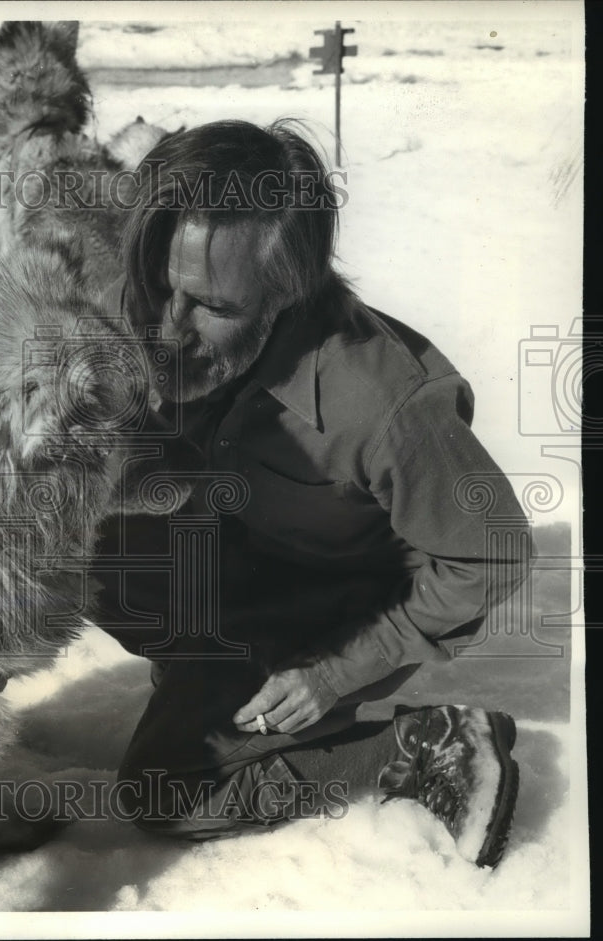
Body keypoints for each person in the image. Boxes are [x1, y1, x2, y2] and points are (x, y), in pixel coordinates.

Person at [93, 119, 529, 868]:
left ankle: (423, 746)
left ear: (286, 293)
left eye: (212, 307)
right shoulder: (155, 303)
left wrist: (335, 671)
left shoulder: (383, 402)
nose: (169, 327)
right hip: (228, 547)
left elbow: (493, 557)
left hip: (332, 602)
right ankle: (206, 673)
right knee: (73, 547)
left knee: (164, 790)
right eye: (161, 286)